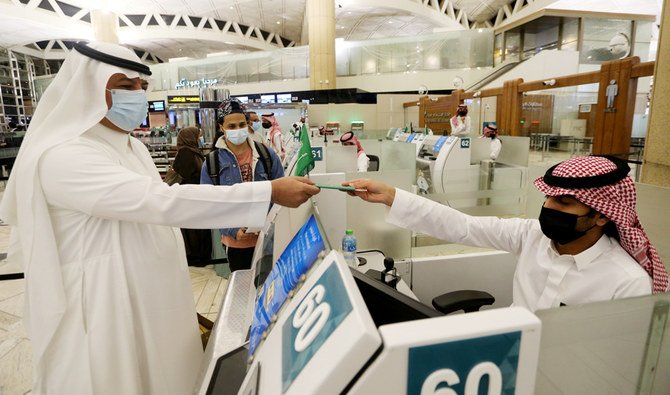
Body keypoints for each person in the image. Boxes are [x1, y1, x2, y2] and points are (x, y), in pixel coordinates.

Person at [0, 41, 319, 394]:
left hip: (155, 297)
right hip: (105, 307)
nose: (137, 94)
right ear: (89, 89)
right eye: (125, 86)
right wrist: (269, 192)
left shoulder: (131, 146)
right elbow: (161, 202)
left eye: (142, 86)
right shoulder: (65, 156)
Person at [344, 155, 668, 312]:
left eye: (564, 202)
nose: (550, 207)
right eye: (549, 197)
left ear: (601, 216)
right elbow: (464, 226)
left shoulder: (627, 282)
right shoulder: (532, 235)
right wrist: (391, 195)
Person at [201, 98, 285, 272]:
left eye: (242, 124)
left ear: (248, 124)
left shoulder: (266, 155)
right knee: (243, 289)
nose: (238, 130)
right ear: (221, 128)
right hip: (236, 245)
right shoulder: (212, 163)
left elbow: (281, 194)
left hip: (267, 240)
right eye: (231, 127)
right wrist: (232, 230)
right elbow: (209, 205)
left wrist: (269, 223)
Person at [172, 126, 212, 263]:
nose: (200, 139)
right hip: (190, 197)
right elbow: (187, 174)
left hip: (196, 195)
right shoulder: (186, 153)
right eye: (198, 136)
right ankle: (196, 257)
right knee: (193, 231)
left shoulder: (193, 151)